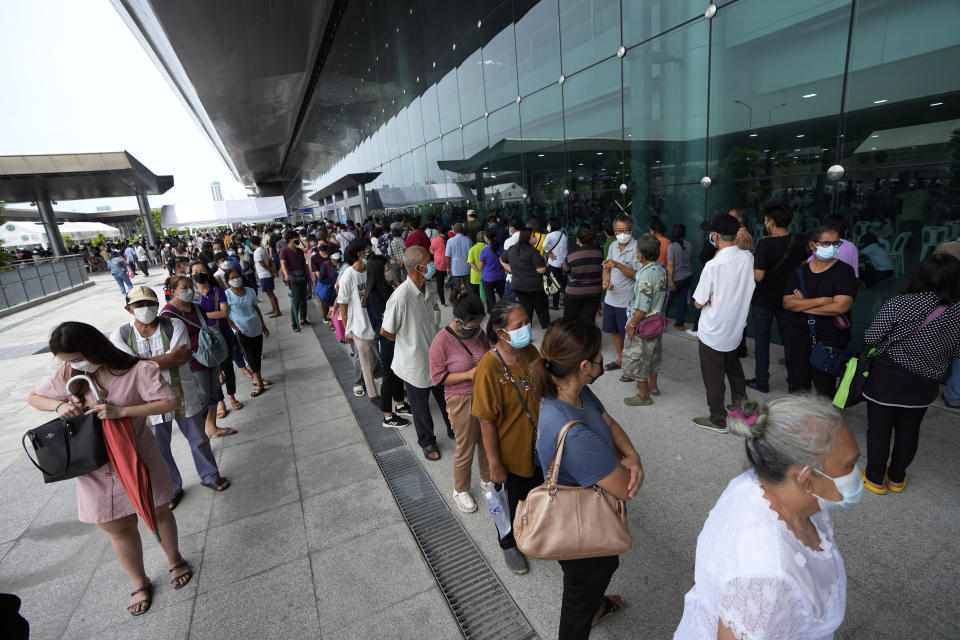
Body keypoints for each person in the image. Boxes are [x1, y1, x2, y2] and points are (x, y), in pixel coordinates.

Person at [28, 322, 195, 616]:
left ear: (93, 349)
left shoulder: (138, 370)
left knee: (158, 510)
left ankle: (175, 560)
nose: (70, 365)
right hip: (95, 465)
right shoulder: (69, 374)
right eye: (66, 360)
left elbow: (169, 401)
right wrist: (58, 407)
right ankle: (139, 581)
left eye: (75, 358)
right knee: (116, 526)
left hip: (137, 455)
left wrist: (122, 412)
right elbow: (34, 397)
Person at [674, 396, 860, 639]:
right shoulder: (766, 577)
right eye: (849, 465)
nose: (858, 474)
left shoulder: (766, 483)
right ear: (805, 480)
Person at [532, 318, 644, 638]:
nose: (602, 363)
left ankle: (595, 606)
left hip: (592, 521)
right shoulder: (575, 434)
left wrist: (632, 456)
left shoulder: (571, 392)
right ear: (584, 366)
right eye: (598, 358)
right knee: (578, 604)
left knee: (606, 567)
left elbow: (610, 424)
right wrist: (635, 468)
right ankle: (588, 612)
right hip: (581, 534)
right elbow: (626, 488)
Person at [109, 286, 230, 507]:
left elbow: (180, 357)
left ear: (157, 305)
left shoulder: (173, 325)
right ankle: (171, 487)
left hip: (181, 391)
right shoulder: (120, 335)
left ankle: (210, 474)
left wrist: (139, 364)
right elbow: (125, 368)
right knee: (157, 447)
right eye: (139, 305)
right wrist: (163, 360)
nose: (145, 308)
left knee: (198, 438)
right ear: (129, 308)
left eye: (149, 303)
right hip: (147, 401)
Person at [860, 253, 960, 494]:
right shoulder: (957, 312)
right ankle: (896, 478)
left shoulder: (899, 303)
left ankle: (874, 479)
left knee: (879, 429)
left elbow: (871, 337)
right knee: (909, 430)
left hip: (887, 376)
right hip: (925, 381)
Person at [472, 300, 542, 574]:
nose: (526, 328)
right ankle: (508, 542)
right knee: (509, 503)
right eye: (519, 325)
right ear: (501, 333)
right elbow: (485, 421)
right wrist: (495, 464)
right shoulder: (489, 368)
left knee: (535, 495)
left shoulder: (531, 352)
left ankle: (531, 531)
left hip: (537, 447)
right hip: (510, 454)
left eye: (527, 321)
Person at [381, 247, 451, 461]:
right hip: (414, 362)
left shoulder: (427, 290)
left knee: (446, 398)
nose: (432, 265)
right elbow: (386, 331)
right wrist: (408, 343)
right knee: (420, 407)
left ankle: (454, 428)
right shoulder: (401, 297)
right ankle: (427, 441)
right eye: (429, 261)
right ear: (419, 267)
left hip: (436, 357)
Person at [692, 213, 756, 432]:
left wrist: (707, 299)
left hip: (713, 329)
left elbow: (698, 302)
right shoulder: (748, 257)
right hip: (736, 326)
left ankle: (717, 418)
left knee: (713, 376)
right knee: (734, 369)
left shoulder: (714, 265)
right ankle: (743, 408)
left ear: (716, 236)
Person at [429, 293, 491, 513]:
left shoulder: (478, 332)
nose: (476, 327)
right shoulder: (441, 341)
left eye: (478, 322)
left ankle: (488, 479)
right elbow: (438, 378)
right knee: (466, 446)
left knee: (487, 441)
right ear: (458, 321)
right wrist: (469, 374)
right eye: (473, 323)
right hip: (460, 398)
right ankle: (460, 489)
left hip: (485, 394)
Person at [783, 225, 857, 397]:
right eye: (826, 243)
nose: (833, 247)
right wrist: (823, 301)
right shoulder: (800, 273)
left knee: (825, 390)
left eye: (836, 243)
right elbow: (787, 303)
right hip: (800, 337)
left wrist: (803, 305)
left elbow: (841, 307)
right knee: (799, 387)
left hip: (830, 340)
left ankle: (825, 423)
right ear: (812, 246)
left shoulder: (844, 272)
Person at [161, 275, 236, 439]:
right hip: (192, 362)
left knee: (214, 392)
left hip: (210, 356)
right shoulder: (168, 314)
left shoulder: (196, 307)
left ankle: (212, 427)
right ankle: (199, 436)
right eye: (184, 288)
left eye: (190, 286)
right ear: (174, 292)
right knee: (201, 398)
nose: (189, 291)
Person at [747, 203, 811, 393]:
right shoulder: (800, 240)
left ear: (771, 222)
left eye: (766, 219)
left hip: (764, 300)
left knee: (762, 342)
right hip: (788, 299)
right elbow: (803, 264)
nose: (764, 222)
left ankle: (762, 381)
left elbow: (759, 276)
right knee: (789, 343)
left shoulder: (765, 244)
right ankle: (794, 382)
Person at [190, 261, 246, 416]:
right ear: (191, 275)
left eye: (201, 270)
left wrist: (199, 315)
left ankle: (232, 397)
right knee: (214, 374)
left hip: (224, 336)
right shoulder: (192, 296)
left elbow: (223, 313)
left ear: (208, 273)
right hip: (204, 341)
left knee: (228, 369)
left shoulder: (218, 291)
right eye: (195, 271)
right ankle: (220, 402)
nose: (198, 274)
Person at [363, 254, 411, 428]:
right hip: (385, 340)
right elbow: (386, 319)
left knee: (397, 373)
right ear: (379, 270)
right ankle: (388, 417)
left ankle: (400, 405)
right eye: (386, 268)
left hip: (394, 338)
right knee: (389, 377)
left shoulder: (385, 287)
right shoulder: (374, 294)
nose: (389, 270)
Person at [623, 234, 668, 403]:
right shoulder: (661, 268)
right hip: (657, 322)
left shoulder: (645, 275)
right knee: (654, 355)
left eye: (637, 250)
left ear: (641, 254)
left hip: (644, 324)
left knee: (641, 359)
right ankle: (653, 387)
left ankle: (643, 395)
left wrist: (632, 324)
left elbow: (642, 307)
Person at [338, 238, 379, 399]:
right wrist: (348, 330)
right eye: (368, 251)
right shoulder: (348, 276)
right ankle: (373, 395)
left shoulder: (370, 270)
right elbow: (343, 304)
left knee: (384, 360)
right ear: (359, 254)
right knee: (366, 366)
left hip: (375, 324)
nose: (371, 253)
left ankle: (392, 387)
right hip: (360, 327)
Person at [601, 215, 640, 371]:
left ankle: (632, 367)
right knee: (614, 332)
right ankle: (620, 360)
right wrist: (606, 281)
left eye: (625, 230)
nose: (622, 234)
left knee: (629, 336)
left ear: (632, 230)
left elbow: (637, 274)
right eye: (618, 231)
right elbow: (607, 268)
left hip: (628, 301)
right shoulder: (613, 246)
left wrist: (618, 264)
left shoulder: (637, 247)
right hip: (611, 299)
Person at [225, 268, 271, 396]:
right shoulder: (227, 295)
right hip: (241, 331)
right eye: (232, 278)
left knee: (257, 354)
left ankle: (258, 378)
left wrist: (263, 325)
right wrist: (235, 328)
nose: (236, 279)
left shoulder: (250, 291)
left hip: (255, 327)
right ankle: (259, 383)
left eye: (237, 276)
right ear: (228, 281)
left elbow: (256, 308)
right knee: (249, 356)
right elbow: (226, 315)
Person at [501, 227, 550, 329]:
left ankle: (527, 333)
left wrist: (511, 269)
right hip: (535, 287)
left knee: (526, 310)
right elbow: (541, 270)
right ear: (527, 238)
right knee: (542, 310)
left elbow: (502, 259)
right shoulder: (533, 251)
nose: (535, 238)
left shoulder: (512, 248)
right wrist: (544, 261)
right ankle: (547, 331)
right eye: (533, 236)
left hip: (518, 286)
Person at [562, 227, 604, 324]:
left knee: (571, 322)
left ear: (578, 239)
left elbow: (564, 269)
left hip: (574, 293)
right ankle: (588, 339)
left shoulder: (572, 255)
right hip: (594, 293)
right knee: (588, 321)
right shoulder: (599, 254)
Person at [279, 230, 310, 331]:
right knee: (296, 300)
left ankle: (303, 319)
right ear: (290, 240)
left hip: (303, 276)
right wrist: (286, 275)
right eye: (296, 238)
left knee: (304, 300)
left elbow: (304, 265)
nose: (298, 240)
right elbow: (283, 264)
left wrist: (308, 277)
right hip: (293, 278)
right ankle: (294, 323)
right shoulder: (284, 251)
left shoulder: (300, 251)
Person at [664, 224, 693, 330]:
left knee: (666, 302)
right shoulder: (689, 244)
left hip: (676, 279)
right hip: (688, 276)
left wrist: (670, 281)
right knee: (682, 301)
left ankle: (661, 324)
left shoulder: (671, 247)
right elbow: (689, 260)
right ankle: (680, 324)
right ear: (684, 233)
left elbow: (670, 265)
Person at [478, 227, 506, 314]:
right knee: (503, 296)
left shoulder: (484, 251)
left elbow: (480, 266)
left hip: (488, 278)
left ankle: (493, 314)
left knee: (491, 298)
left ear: (486, 237)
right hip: (500, 276)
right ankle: (505, 311)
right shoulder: (500, 248)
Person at [251, 236, 281, 317]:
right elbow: (269, 260)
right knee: (270, 294)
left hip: (264, 275)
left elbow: (262, 263)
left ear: (252, 244)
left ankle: (277, 311)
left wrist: (270, 270)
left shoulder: (257, 252)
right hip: (266, 274)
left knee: (271, 294)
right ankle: (274, 309)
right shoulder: (263, 249)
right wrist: (272, 269)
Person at [544, 217, 569, 310]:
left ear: (550, 225)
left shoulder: (550, 236)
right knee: (564, 284)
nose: (548, 226)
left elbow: (544, 246)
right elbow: (565, 250)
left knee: (555, 285)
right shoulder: (563, 235)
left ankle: (555, 305)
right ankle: (565, 302)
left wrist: (549, 252)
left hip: (553, 264)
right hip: (563, 264)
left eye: (548, 224)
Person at [445, 223, 472, 299]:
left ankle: (457, 302)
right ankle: (471, 301)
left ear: (454, 230)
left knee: (456, 288)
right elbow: (471, 254)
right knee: (469, 287)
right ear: (462, 230)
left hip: (455, 268)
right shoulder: (468, 240)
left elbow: (447, 256)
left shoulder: (450, 241)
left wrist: (448, 267)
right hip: (466, 267)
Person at [429, 226, 448, 305]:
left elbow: (431, 249)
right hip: (450, 264)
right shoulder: (450, 239)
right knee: (454, 284)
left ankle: (443, 303)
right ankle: (454, 300)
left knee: (440, 285)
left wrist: (436, 253)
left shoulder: (435, 240)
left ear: (439, 232)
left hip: (439, 264)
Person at [467, 231, 486, 297]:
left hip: (475, 277)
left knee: (476, 296)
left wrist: (479, 272)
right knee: (487, 295)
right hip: (486, 276)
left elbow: (470, 263)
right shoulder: (488, 247)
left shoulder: (472, 249)